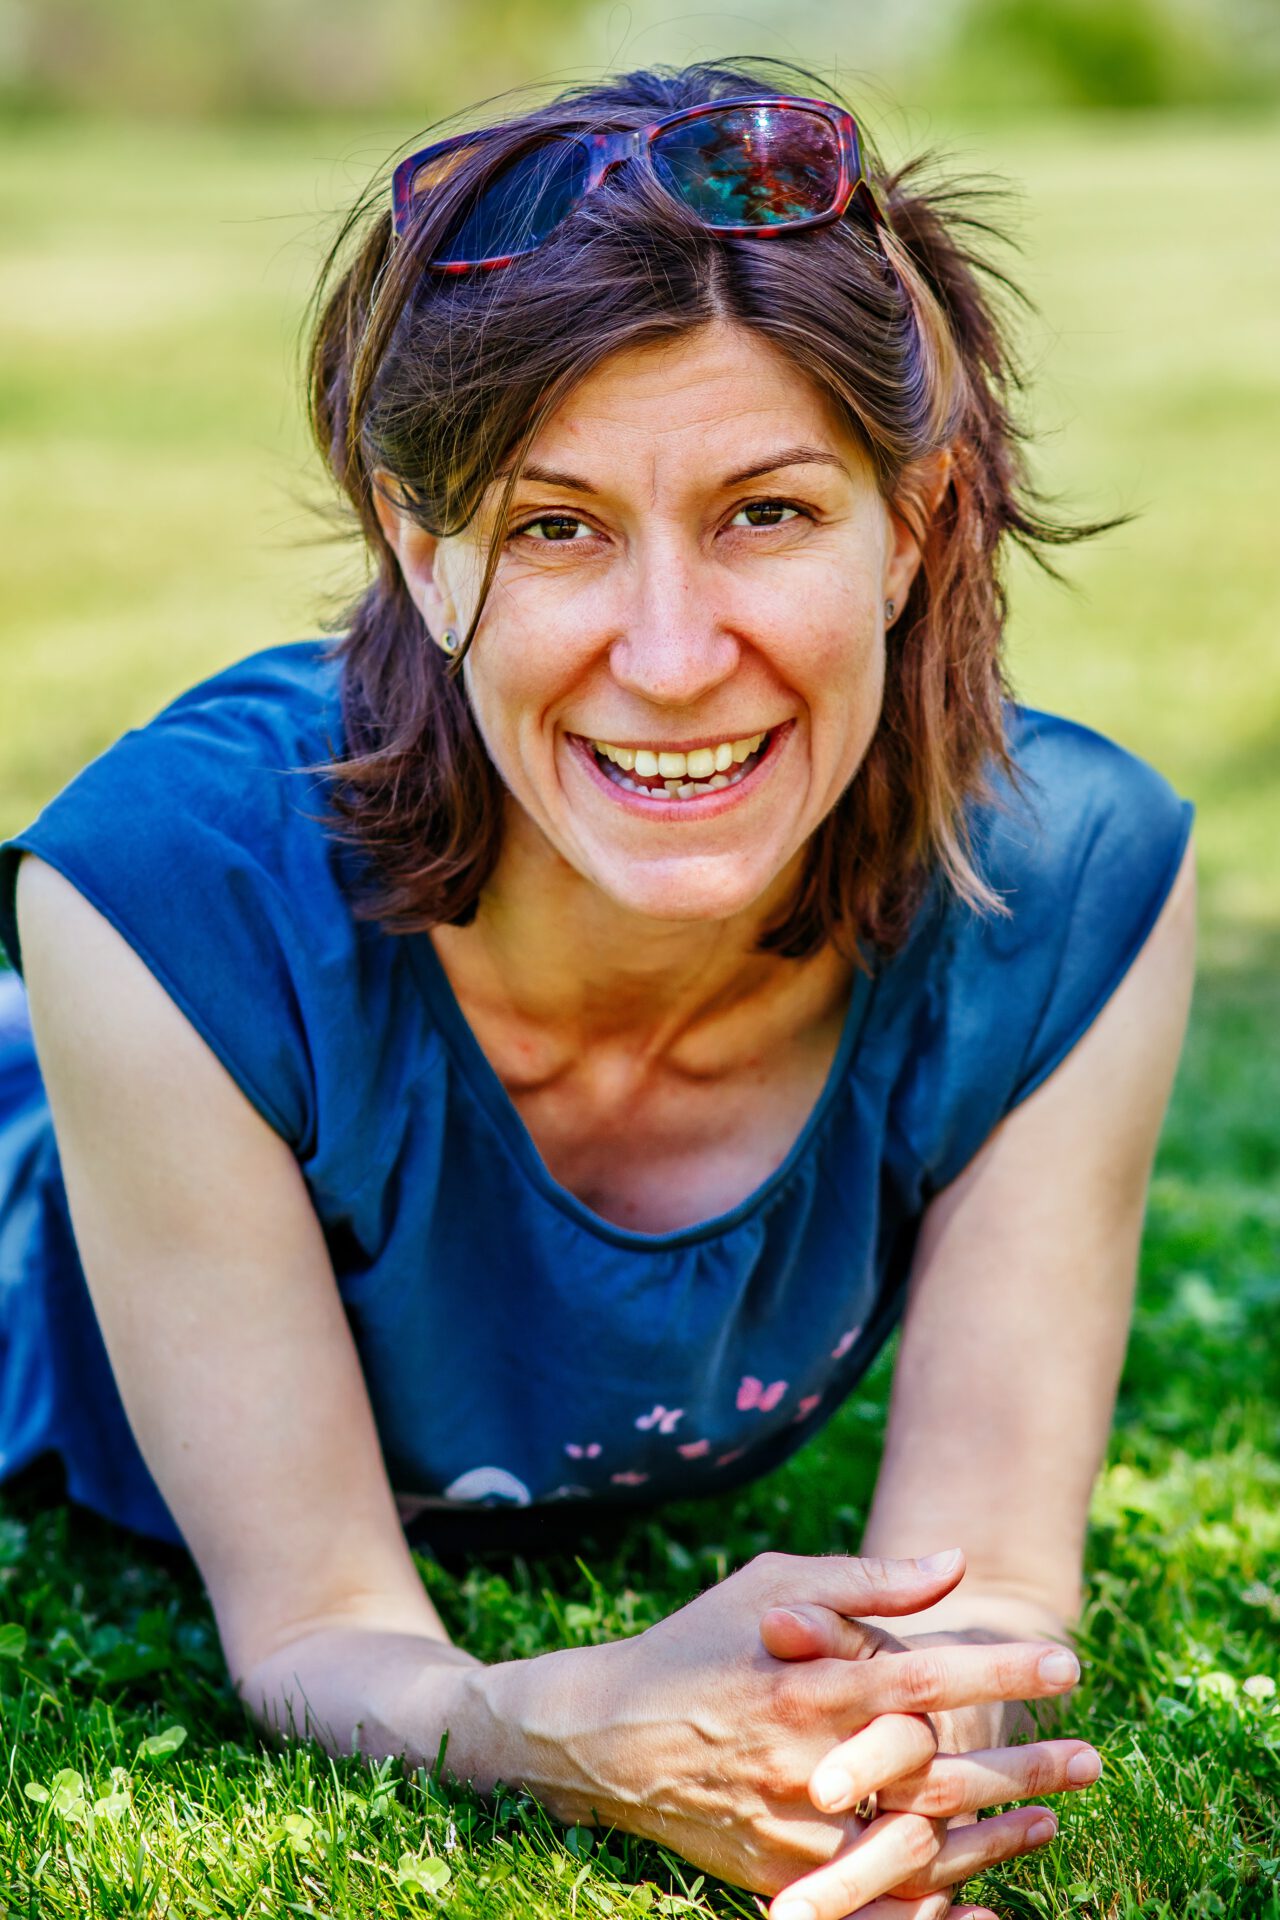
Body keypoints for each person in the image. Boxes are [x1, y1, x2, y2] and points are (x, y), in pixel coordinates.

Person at [0, 59, 1196, 1920]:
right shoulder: (162, 902)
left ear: (913, 523)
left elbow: (991, 1593)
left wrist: (887, 1768)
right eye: (556, 526)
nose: (670, 654)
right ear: (427, 553)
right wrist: (573, 1730)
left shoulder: (1073, 888)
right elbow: (320, 1626)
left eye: (766, 513)